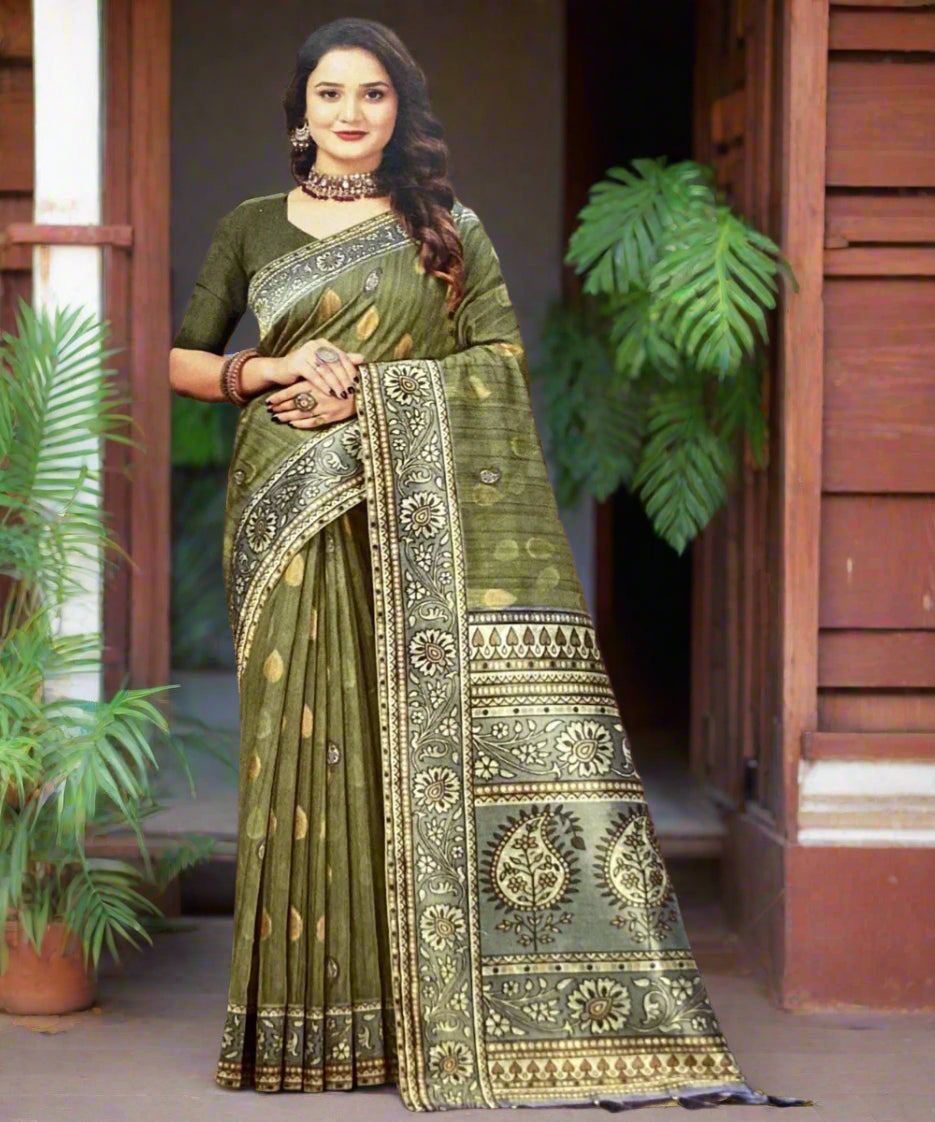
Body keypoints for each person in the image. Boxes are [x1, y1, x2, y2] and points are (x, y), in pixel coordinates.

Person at [169, 15, 810, 1114]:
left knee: (403, 746)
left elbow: (495, 367)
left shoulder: (447, 232)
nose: (350, 114)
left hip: (422, 525)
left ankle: (424, 1012)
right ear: (300, 113)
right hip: (287, 512)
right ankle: (307, 1028)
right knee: (300, 753)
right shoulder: (247, 229)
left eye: (371, 94)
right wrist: (267, 368)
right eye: (330, 94)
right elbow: (186, 355)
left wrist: (367, 389)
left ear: (398, 110)